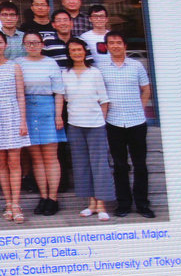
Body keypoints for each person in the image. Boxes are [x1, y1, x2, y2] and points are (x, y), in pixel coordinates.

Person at [99, 31, 154, 218]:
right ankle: (123, 204)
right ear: (106, 46)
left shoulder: (136, 65)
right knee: (119, 165)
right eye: (111, 43)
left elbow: (146, 89)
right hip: (113, 122)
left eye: (118, 42)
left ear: (125, 46)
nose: (115, 45)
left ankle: (142, 204)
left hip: (136, 122)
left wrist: (140, 107)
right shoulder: (101, 68)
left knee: (140, 165)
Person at [61, 38, 114, 221]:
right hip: (75, 124)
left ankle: (101, 204)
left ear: (85, 51)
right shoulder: (65, 73)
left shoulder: (94, 72)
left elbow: (104, 100)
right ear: (69, 53)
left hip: (95, 125)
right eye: (73, 50)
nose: (77, 53)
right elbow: (65, 99)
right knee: (82, 164)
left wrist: (102, 121)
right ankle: (91, 203)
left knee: (99, 164)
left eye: (79, 50)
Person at [0, 30, 30, 223]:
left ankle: (16, 204)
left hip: (13, 113)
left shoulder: (15, 67)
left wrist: (23, 120)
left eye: (0, 42)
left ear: (5, 44)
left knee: (14, 162)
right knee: (1, 162)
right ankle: (8, 203)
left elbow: (21, 95)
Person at [16, 32, 66, 216]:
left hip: (48, 109)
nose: (32, 46)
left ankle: (53, 198)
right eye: (29, 43)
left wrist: (58, 115)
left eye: (36, 42)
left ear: (42, 44)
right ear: (24, 45)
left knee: (51, 157)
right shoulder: (18, 63)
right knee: (36, 158)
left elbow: (59, 92)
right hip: (27, 110)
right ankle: (43, 196)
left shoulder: (51, 63)